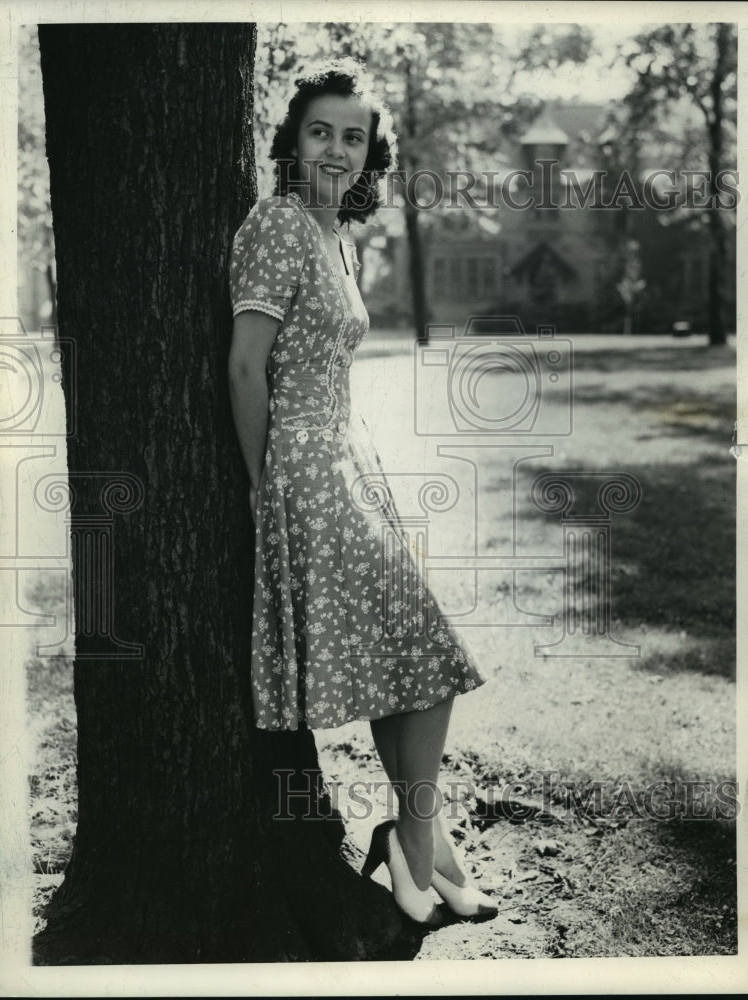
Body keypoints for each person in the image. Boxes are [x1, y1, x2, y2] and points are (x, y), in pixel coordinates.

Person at [228, 59, 496, 926]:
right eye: (321, 131)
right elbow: (244, 364)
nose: (338, 150)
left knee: (405, 660)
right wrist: (260, 488)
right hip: (304, 472)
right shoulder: (274, 222)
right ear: (291, 142)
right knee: (427, 651)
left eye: (353, 135)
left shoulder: (333, 231)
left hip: (349, 461)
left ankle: (418, 844)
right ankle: (416, 848)